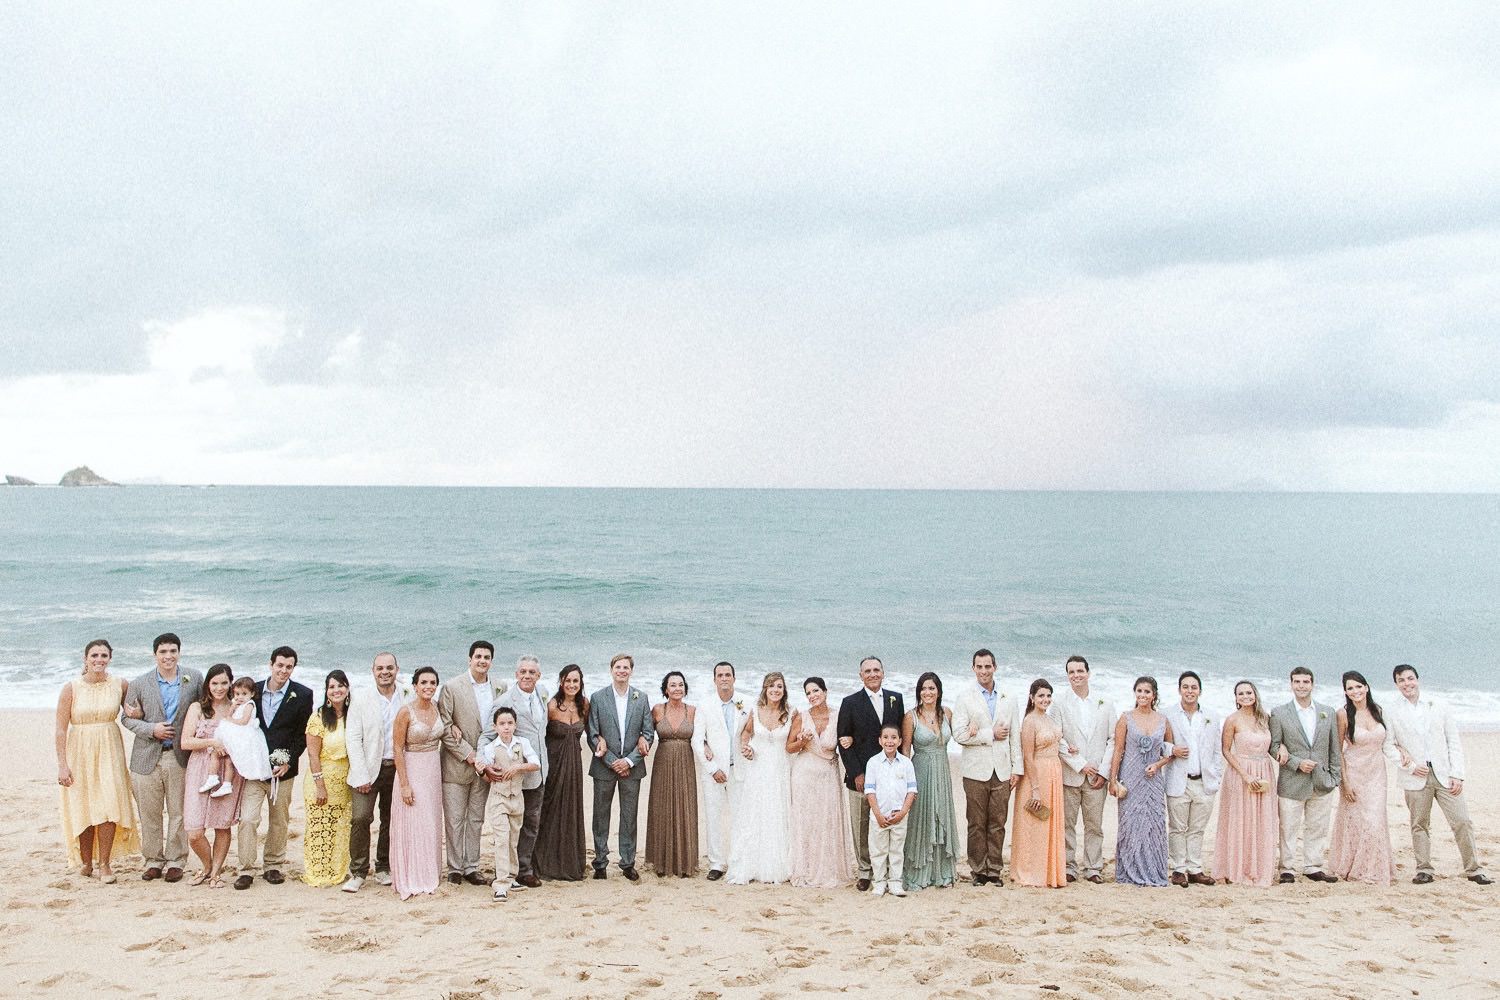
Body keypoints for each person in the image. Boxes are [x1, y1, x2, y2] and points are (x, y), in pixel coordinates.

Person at [1387, 664, 1491, 885]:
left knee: (1462, 821)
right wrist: (1410, 766)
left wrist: (1457, 774)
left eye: (1410, 678)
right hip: (1415, 776)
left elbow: (1453, 741)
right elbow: (1388, 745)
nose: (1407, 684)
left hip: (1445, 774)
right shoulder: (1391, 711)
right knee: (1419, 824)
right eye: (1401, 680)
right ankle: (1424, 869)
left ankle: (1474, 869)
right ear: (1396, 684)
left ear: (1417, 680)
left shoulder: (1439, 705)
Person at [56, 638, 140, 882]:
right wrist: (62, 765)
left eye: (104, 655)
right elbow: (60, 729)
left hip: (109, 748)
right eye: (94, 655)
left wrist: (135, 712)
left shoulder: (120, 684)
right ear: (85, 658)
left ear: (110, 658)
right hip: (79, 750)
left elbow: (134, 712)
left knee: (109, 803)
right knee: (83, 805)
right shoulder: (71, 688)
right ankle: (86, 863)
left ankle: (105, 864)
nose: (99, 660)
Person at [122, 632, 201, 883]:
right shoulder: (139, 683)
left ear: (179, 652)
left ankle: (176, 860)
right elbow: (126, 718)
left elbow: (206, 708)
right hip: (146, 756)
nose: (168, 656)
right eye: (163, 652)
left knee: (178, 811)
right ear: (154, 654)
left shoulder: (194, 678)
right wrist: (151, 729)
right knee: (149, 813)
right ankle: (153, 861)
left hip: (179, 756)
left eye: (173, 651)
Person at [235, 645, 313, 890]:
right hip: (254, 770)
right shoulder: (253, 690)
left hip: (283, 772)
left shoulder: (304, 694)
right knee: (248, 819)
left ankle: (273, 866)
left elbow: (302, 735)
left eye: (289, 667)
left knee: (279, 820)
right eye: (280, 665)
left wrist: (288, 760)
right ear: (271, 665)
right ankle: (246, 869)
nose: (283, 670)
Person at [436, 640, 509, 886]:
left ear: (491, 661)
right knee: (455, 819)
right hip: (457, 763)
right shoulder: (451, 687)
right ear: (470, 659)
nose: (482, 661)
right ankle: (455, 868)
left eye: (487, 657)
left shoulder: (500, 687)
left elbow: (504, 723)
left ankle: (472, 867)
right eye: (478, 656)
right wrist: (471, 756)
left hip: (486, 766)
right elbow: (445, 727)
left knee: (476, 818)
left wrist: (488, 760)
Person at [836, 656, 905, 891]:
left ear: (883, 673)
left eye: (876, 670)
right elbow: (843, 741)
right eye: (867, 671)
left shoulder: (896, 699)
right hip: (861, 776)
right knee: (861, 824)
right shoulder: (850, 702)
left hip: (891, 776)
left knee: (889, 823)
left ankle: (888, 870)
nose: (873, 674)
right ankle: (865, 871)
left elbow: (900, 738)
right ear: (861, 676)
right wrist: (856, 773)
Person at [342, 651, 409, 892]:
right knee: (361, 818)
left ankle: (383, 867)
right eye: (380, 668)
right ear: (373, 671)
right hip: (369, 767)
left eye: (389, 667)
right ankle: (358, 871)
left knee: (390, 820)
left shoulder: (407, 695)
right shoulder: (361, 697)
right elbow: (353, 737)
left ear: (397, 670)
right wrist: (361, 774)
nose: (385, 672)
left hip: (397, 768)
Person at [1269, 666, 1342, 884]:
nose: (1301, 686)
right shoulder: (1279, 713)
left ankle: (1313, 866)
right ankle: (1287, 869)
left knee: (1317, 827)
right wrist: (1296, 763)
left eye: (1306, 682)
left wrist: (1334, 778)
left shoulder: (1327, 712)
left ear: (1312, 684)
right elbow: (1273, 746)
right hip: (1292, 781)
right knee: (1288, 827)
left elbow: (1334, 748)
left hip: (1322, 781)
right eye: (1297, 682)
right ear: (1291, 684)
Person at [586, 653, 656, 880]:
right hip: (604, 767)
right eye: (618, 667)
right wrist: (611, 761)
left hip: (631, 768)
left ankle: (627, 863)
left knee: (629, 816)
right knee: (600, 816)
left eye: (626, 667)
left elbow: (648, 733)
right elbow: (593, 734)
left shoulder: (641, 698)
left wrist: (628, 761)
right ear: (611, 670)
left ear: (631, 671)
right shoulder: (598, 697)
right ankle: (600, 863)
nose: (622, 671)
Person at [1328, 670, 1400, 886]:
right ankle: (1354, 867)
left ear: (1366, 687)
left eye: (1358, 686)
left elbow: (1390, 740)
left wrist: (1403, 751)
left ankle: (1373, 868)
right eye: (1350, 688)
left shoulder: (1378, 710)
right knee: (1356, 821)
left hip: (1377, 773)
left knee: (1375, 820)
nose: (1355, 691)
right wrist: (1344, 782)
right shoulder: (1342, 714)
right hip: (1354, 772)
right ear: (1345, 692)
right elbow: (1337, 750)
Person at [486, 655, 549, 889]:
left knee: (531, 822)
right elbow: (487, 735)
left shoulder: (543, 694)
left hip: (538, 770)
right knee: (509, 828)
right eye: (523, 671)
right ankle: (508, 871)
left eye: (532, 672)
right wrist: (484, 765)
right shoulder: (504, 701)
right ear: (516, 674)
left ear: (538, 676)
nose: (527, 675)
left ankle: (524, 869)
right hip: (511, 777)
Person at [1052, 654, 1115, 885]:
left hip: (1097, 777)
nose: (1076, 675)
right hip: (1071, 774)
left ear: (1088, 673)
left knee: (1094, 825)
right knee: (1067, 824)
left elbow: (1113, 740)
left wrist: (1103, 772)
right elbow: (1057, 739)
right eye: (1071, 672)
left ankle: (1093, 867)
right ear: (1067, 675)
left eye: (1080, 671)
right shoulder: (1059, 703)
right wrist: (1080, 764)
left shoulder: (1105, 702)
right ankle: (1069, 866)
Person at [727, 672, 794, 885]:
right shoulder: (755, 711)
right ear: (765, 689)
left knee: (779, 813)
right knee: (756, 814)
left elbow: (794, 742)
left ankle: (779, 866)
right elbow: (745, 735)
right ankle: (753, 864)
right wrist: (746, 749)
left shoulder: (791, 712)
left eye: (779, 686)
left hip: (781, 769)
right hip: (758, 769)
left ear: (784, 690)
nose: (775, 690)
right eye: (771, 686)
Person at [181, 663, 245, 888]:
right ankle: (206, 866)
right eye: (215, 683)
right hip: (200, 768)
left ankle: (216, 872)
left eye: (224, 683)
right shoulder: (197, 708)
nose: (219, 688)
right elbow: (185, 742)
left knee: (222, 825)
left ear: (231, 684)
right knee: (194, 832)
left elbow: (247, 737)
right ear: (208, 684)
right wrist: (212, 742)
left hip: (227, 770)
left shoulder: (237, 708)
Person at [787, 676, 855, 888]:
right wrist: (802, 741)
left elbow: (849, 737)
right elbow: (789, 747)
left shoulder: (838, 715)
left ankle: (828, 869)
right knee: (806, 821)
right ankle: (805, 868)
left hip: (828, 775)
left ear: (825, 692)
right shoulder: (801, 716)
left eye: (816, 690)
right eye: (808, 693)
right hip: (804, 774)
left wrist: (850, 739)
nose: (812, 695)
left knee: (826, 820)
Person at [1108, 676, 1174, 887]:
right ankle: (1129, 870)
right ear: (1135, 693)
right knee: (1131, 822)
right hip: (1130, 775)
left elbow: (1169, 752)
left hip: (1153, 779)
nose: (1143, 695)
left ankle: (1154, 871)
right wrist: (1112, 780)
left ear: (1154, 695)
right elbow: (1118, 750)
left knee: (1154, 822)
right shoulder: (1125, 718)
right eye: (1139, 691)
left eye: (1147, 691)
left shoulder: (1163, 720)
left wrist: (1158, 765)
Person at [1214, 681, 1279, 886]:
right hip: (1240, 773)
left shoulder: (1265, 718)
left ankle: (1259, 868)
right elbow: (1226, 750)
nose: (1245, 696)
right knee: (1241, 819)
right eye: (1240, 693)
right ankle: (1237, 869)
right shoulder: (1232, 720)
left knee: (1262, 819)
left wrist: (1283, 749)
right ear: (1236, 698)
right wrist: (1245, 775)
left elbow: (1274, 744)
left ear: (1255, 694)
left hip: (1264, 771)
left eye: (1249, 692)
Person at [1163, 671, 1223, 887]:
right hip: (1178, 779)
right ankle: (1178, 869)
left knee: (1197, 828)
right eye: (1186, 687)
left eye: (1194, 687)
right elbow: (1158, 744)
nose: (1190, 691)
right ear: (1179, 690)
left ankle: (1195, 868)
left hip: (1204, 781)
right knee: (1177, 827)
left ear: (1200, 691)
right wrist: (1172, 749)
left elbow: (1216, 750)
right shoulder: (1167, 714)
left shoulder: (1211, 716)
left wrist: (1216, 776)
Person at [901, 671, 958, 890]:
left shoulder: (947, 713)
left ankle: (942, 873)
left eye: (932, 688)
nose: (928, 692)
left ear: (939, 691)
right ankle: (919, 871)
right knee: (922, 817)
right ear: (919, 692)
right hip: (921, 770)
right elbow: (905, 751)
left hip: (942, 769)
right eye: (923, 688)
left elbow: (961, 734)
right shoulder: (911, 716)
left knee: (942, 814)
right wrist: (905, 782)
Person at [477, 706, 541, 901]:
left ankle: (512, 876)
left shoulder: (522, 743)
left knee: (513, 839)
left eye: (510, 723)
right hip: (498, 798)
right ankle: (500, 884)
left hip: (517, 798)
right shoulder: (490, 748)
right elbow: (484, 774)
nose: (506, 727)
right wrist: (483, 770)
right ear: (495, 727)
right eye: (502, 724)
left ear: (515, 725)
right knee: (502, 839)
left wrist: (518, 767)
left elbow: (536, 763)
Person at [391, 666, 444, 899]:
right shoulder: (406, 712)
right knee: (416, 821)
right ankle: (413, 876)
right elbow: (397, 748)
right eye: (423, 682)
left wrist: (455, 731)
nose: (428, 687)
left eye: (432, 683)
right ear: (415, 686)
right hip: (412, 768)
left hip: (433, 770)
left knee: (431, 822)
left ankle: (430, 871)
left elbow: (447, 728)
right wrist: (404, 784)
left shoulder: (437, 707)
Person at [690, 661, 746, 880]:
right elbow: (697, 740)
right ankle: (716, 863)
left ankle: (738, 860)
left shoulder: (745, 702)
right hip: (713, 772)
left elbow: (752, 732)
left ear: (734, 678)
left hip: (739, 770)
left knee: (740, 817)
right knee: (713, 818)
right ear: (714, 680)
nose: (724, 678)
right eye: (720, 675)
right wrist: (713, 769)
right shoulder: (705, 705)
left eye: (727, 674)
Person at [535, 664, 589, 881]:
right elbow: (538, 735)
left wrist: (602, 742)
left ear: (581, 683)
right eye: (568, 681)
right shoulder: (551, 706)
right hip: (554, 763)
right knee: (550, 807)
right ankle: (546, 862)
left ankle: (569, 861)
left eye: (575, 681)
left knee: (571, 808)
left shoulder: (585, 705)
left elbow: (594, 731)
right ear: (561, 682)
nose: (572, 685)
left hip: (574, 764)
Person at [1012, 679, 1066, 888]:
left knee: (1049, 822)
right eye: (1041, 696)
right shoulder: (1029, 721)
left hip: (1054, 773)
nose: (1045, 699)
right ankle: (1030, 871)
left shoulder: (1049, 719)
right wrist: (1035, 788)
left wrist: (1069, 749)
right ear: (1032, 698)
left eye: (1048, 696)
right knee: (1034, 823)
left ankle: (1049, 871)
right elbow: (1028, 756)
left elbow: (1056, 741)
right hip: (1037, 774)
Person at [302, 670, 353, 887]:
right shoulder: (319, 717)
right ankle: (318, 872)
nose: (336, 690)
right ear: (326, 691)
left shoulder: (353, 715)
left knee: (340, 828)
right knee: (320, 828)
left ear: (347, 689)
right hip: (321, 779)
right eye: (332, 687)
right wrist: (320, 786)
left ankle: (338, 870)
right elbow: (313, 755)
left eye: (340, 685)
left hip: (345, 781)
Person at [645, 671, 699, 877]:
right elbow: (646, 733)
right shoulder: (658, 710)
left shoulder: (692, 711)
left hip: (685, 762)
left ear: (685, 688)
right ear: (666, 689)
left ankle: (685, 863)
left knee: (685, 806)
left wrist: (706, 746)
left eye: (680, 685)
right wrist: (641, 741)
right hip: (663, 762)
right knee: (662, 806)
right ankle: (661, 862)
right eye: (673, 685)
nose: (677, 688)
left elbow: (702, 735)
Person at [865, 723, 918, 897]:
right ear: (880, 741)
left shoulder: (906, 763)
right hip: (879, 816)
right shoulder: (873, 763)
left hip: (899, 816)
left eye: (894, 737)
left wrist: (902, 813)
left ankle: (895, 882)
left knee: (896, 850)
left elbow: (911, 791)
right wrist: (878, 815)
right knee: (878, 851)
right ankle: (879, 882)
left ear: (900, 741)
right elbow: (870, 791)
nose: (890, 741)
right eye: (886, 737)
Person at [198, 677, 271, 796]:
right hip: (236, 732)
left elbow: (244, 721)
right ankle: (215, 779)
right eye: (237, 694)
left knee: (229, 758)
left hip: (243, 735)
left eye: (244, 694)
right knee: (221, 755)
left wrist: (230, 720)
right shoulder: (237, 703)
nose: (240, 697)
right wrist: (232, 707)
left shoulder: (249, 704)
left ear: (252, 694)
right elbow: (228, 715)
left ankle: (223, 782)